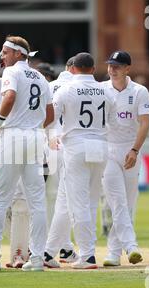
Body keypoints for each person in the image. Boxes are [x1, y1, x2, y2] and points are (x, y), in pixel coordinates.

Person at [0, 35, 54, 272]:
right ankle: (36, 258)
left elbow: (9, 97)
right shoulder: (39, 76)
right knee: (37, 202)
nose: (2, 56)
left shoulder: (12, 73)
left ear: (17, 53)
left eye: (5, 52)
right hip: (36, 137)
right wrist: (33, 124)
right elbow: (50, 115)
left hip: (13, 135)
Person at [50, 52, 114, 269]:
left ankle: (87, 255)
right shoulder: (106, 90)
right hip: (100, 146)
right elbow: (112, 120)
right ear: (93, 69)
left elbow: (51, 117)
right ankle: (50, 252)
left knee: (77, 205)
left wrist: (52, 136)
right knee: (88, 203)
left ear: (73, 69)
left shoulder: (66, 89)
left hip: (75, 146)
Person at [101, 51, 149, 267]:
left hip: (130, 150)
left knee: (128, 204)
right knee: (117, 201)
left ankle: (113, 254)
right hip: (107, 150)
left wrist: (134, 150)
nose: (112, 69)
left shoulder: (140, 91)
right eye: (111, 65)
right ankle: (131, 246)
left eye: (118, 66)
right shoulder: (100, 89)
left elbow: (144, 124)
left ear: (128, 69)